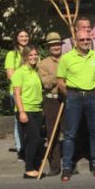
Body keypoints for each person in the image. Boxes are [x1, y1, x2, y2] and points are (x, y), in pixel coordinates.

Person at [57, 30, 95, 182]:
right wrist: (71, 95)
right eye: (82, 39)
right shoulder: (66, 58)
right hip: (74, 96)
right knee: (70, 134)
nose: (85, 42)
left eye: (87, 39)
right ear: (76, 41)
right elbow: (60, 82)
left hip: (92, 96)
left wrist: (93, 86)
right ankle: (67, 167)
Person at [12, 46, 44, 179]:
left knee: (35, 139)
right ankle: (29, 169)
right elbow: (17, 94)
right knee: (34, 139)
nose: (33, 57)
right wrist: (22, 112)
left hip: (37, 109)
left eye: (35, 54)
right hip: (26, 110)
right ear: (25, 57)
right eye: (30, 55)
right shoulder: (20, 72)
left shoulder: (35, 71)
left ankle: (35, 166)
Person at [37, 32, 64, 176]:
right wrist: (60, 76)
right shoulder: (43, 64)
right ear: (48, 47)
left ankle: (69, 164)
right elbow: (47, 83)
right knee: (52, 133)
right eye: (53, 44)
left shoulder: (68, 59)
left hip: (68, 98)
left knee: (70, 132)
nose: (56, 47)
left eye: (58, 44)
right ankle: (55, 165)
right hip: (52, 99)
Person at [5, 29, 29, 160]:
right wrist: (24, 82)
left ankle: (30, 147)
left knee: (31, 120)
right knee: (18, 120)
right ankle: (21, 149)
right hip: (16, 92)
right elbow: (10, 74)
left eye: (26, 36)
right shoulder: (11, 54)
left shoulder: (32, 52)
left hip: (31, 93)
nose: (24, 38)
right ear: (16, 38)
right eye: (21, 36)